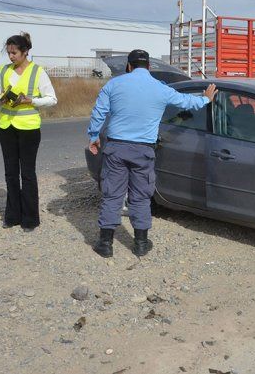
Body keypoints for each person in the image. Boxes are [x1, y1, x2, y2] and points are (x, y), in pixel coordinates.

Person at [87, 49, 217, 258]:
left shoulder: (113, 85)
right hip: (143, 151)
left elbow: (99, 112)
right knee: (140, 197)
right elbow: (186, 102)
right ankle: (140, 244)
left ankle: (105, 244)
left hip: (116, 149)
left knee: (112, 195)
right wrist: (205, 99)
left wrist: (94, 136)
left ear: (128, 66)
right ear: (148, 67)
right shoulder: (160, 89)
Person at [0, 32, 57, 231]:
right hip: (6, 127)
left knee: (27, 174)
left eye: (14, 53)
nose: (11, 57)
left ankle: (30, 219)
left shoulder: (38, 72)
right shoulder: (4, 71)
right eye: (9, 53)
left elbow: (52, 99)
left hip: (29, 129)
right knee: (10, 173)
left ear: (25, 52)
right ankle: (12, 216)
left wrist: (31, 100)